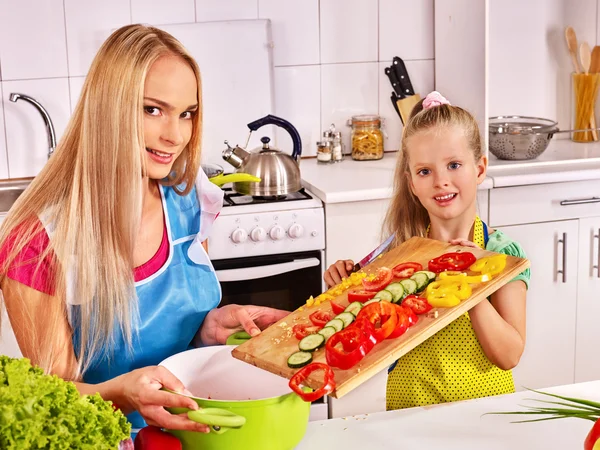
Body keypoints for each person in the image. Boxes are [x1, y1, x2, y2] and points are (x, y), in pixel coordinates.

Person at [0, 24, 287, 433]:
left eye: (186, 113)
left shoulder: (190, 201)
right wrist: (122, 391)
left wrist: (209, 329)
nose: (175, 135)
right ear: (108, 108)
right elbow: (53, 396)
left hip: (196, 432)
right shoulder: (40, 239)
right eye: (153, 109)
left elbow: (174, 343)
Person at [323, 91, 529, 410]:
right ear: (411, 183)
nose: (440, 181)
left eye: (454, 165)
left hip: (482, 415)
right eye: (425, 171)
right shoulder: (400, 255)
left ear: (479, 168)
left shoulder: (500, 252)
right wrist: (343, 291)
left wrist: (469, 283)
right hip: (407, 413)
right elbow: (364, 342)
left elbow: (509, 355)